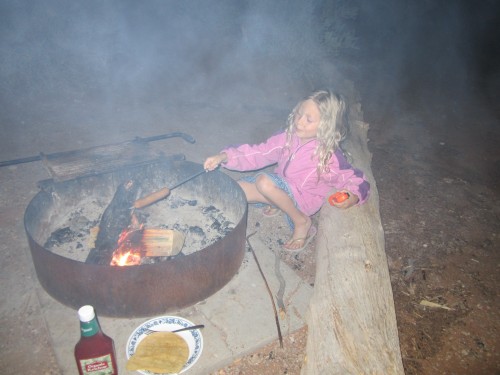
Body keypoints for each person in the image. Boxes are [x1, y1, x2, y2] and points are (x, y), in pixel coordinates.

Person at [204, 90, 370, 251]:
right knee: (236, 190)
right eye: (299, 114)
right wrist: (224, 157)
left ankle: (301, 222)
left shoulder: (328, 156)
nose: (299, 122)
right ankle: (277, 201)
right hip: (280, 187)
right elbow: (259, 153)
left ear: (326, 125)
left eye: (309, 119)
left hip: (302, 200)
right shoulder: (287, 137)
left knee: (264, 182)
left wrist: (352, 196)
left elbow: (356, 179)